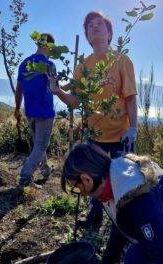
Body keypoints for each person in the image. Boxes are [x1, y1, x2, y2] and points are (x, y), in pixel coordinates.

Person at [50, 11, 138, 228]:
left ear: (109, 34)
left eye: (100, 25)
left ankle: (126, 223)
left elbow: (130, 97)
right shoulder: (83, 67)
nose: (95, 27)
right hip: (94, 134)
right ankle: (94, 218)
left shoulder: (122, 61)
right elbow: (76, 101)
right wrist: (58, 91)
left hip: (121, 134)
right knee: (92, 179)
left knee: (122, 181)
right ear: (88, 37)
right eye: (90, 26)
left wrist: (133, 127)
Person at [15, 33, 57, 187]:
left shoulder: (25, 63)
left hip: (30, 111)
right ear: (49, 46)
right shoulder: (49, 65)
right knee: (40, 146)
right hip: (45, 112)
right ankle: (25, 177)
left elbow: (19, 89)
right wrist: (70, 87)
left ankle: (45, 170)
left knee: (38, 144)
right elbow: (55, 89)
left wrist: (17, 108)